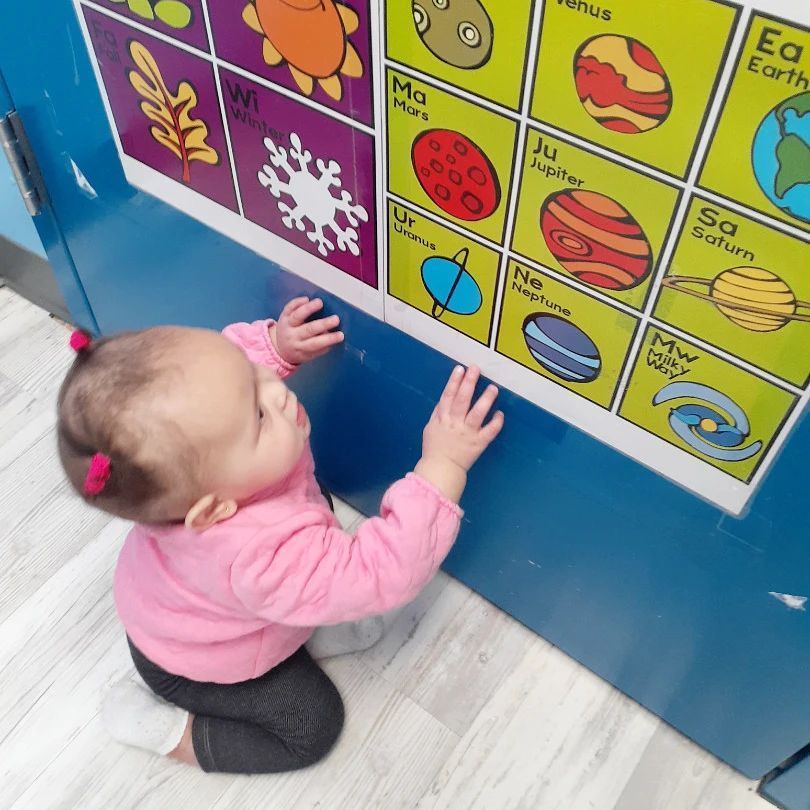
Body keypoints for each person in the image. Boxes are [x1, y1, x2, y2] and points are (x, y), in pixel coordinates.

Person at [57, 297, 504, 774]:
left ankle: (302, 623)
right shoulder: (260, 554)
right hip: (194, 667)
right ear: (216, 509)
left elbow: (222, 373)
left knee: (319, 506)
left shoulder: (206, 476)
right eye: (258, 417)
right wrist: (443, 465)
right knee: (312, 726)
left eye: (252, 380)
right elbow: (381, 573)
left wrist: (273, 346)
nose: (277, 394)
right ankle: (170, 735)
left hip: (194, 609)